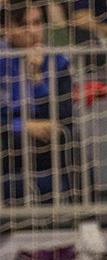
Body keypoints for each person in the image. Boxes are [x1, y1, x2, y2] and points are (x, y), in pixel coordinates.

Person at [1, 1, 73, 203]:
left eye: (37, 22)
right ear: (8, 29)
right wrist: (21, 125)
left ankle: (85, 218)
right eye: (24, 24)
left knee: (71, 139)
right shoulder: (1, 59)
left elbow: (65, 112)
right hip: (9, 133)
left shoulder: (57, 61)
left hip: (45, 130)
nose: (32, 31)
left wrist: (37, 79)